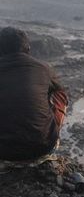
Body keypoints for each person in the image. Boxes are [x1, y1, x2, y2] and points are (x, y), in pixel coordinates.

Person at [0, 27, 68, 162]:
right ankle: (47, 133)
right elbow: (61, 95)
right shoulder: (44, 68)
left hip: (3, 153)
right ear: (28, 48)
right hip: (42, 148)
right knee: (58, 94)